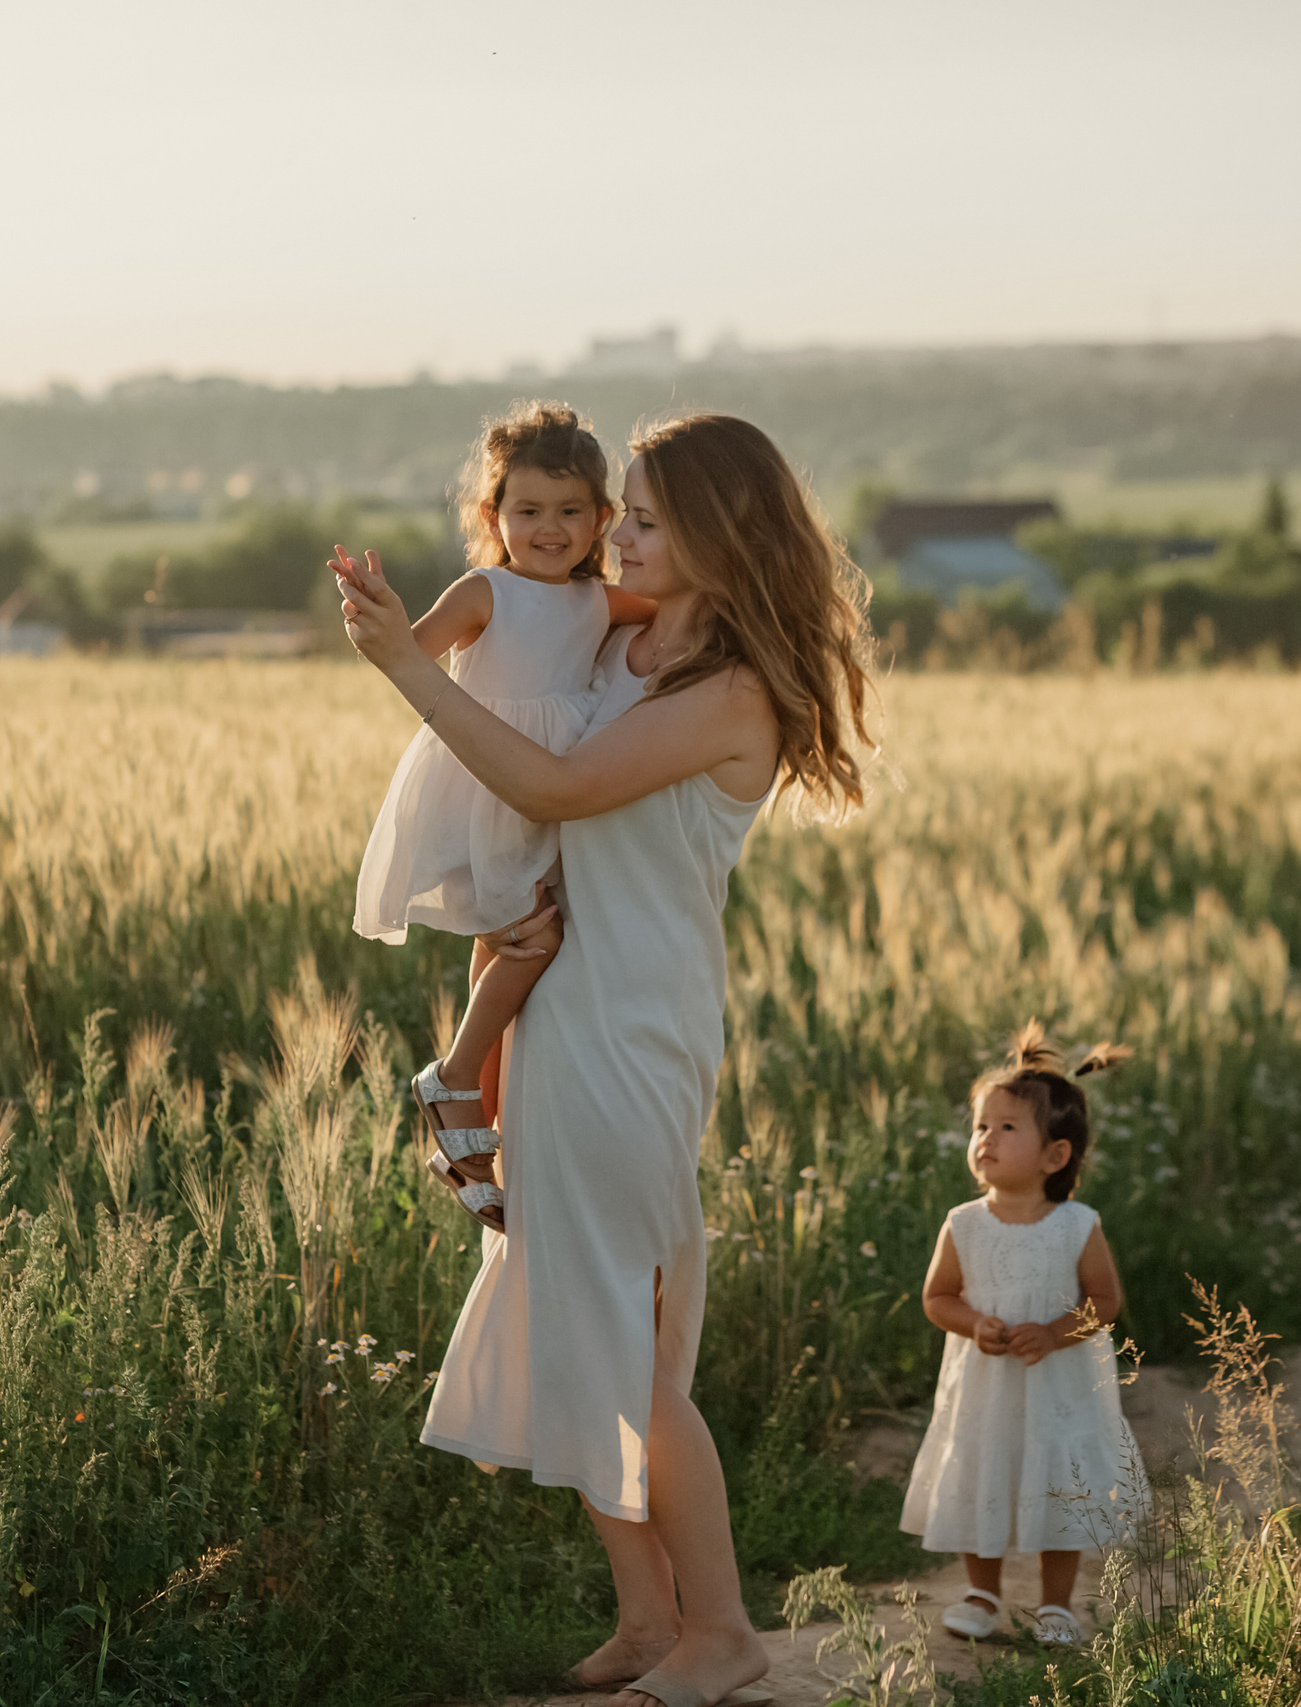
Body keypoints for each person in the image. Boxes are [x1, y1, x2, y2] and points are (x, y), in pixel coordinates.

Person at [331, 412, 873, 1707]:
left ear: (715, 533)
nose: (614, 535)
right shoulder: (629, 636)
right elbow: (527, 653)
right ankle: (645, 1619)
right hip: (557, 1005)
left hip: (636, 1025)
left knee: (624, 1341)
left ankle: (725, 1629)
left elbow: (567, 784)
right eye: (616, 511)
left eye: (639, 516)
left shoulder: (731, 692)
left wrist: (410, 665)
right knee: (569, 1315)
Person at [349, 402, 655, 1230]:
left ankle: (476, 1128)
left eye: (569, 512)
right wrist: (374, 610)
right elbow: (408, 651)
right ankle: (452, 1075)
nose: (549, 529)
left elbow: (672, 618)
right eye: (527, 511)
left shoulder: (597, 600)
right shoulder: (486, 590)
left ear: (600, 519)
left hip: (547, 790)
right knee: (536, 937)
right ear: (493, 516)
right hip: (485, 786)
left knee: (506, 940)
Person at [902, 1023, 1143, 1647]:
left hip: (1059, 1385)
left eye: (1007, 1127)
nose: (986, 1138)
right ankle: (982, 1594)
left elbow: (1106, 1301)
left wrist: (1059, 1332)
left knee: (1059, 1481)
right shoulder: (963, 1224)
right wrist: (973, 1322)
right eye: (982, 1125)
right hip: (984, 1385)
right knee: (982, 1469)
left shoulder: (1076, 1225)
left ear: (1055, 1155)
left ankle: (1056, 1604)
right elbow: (937, 1297)